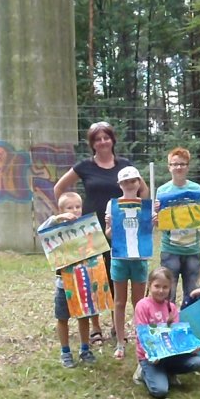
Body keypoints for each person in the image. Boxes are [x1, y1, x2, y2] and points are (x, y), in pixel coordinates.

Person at [54, 121, 149, 345]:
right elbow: (59, 188)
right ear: (92, 143)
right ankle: (95, 327)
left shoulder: (124, 165)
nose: (103, 142)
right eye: (97, 139)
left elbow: (143, 190)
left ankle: (118, 327)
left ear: (112, 140)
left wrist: (141, 214)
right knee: (94, 278)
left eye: (106, 137)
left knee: (118, 278)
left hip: (119, 231)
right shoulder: (85, 166)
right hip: (90, 231)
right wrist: (65, 214)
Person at [37, 191, 97, 368]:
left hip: (83, 281)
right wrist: (57, 218)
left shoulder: (86, 226)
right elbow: (41, 231)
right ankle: (65, 352)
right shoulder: (56, 228)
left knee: (83, 317)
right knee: (62, 318)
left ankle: (85, 349)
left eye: (78, 206)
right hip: (63, 284)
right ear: (61, 210)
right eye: (69, 207)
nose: (75, 210)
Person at [132, 267, 200, 399]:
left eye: (165, 287)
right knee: (160, 391)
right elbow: (142, 336)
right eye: (157, 286)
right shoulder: (142, 305)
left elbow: (176, 338)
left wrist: (190, 347)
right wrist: (152, 355)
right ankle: (143, 372)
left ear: (170, 287)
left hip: (168, 354)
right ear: (149, 285)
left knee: (198, 362)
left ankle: (168, 372)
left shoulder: (171, 307)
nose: (161, 290)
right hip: (151, 357)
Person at [104, 166, 150, 360]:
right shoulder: (112, 205)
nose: (129, 184)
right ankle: (120, 342)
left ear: (139, 182)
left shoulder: (145, 205)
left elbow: (147, 233)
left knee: (139, 303)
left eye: (133, 181)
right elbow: (109, 234)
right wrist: (110, 224)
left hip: (139, 260)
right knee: (119, 302)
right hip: (120, 259)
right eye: (125, 182)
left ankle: (141, 341)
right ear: (120, 184)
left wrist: (153, 222)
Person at [156, 147, 200, 305]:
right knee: (168, 293)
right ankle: (169, 321)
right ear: (169, 167)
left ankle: (190, 321)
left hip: (192, 249)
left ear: (188, 166)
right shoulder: (162, 191)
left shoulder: (197, 189)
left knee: (193, 294)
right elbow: (159, 223)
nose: (178, 167)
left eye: (182, 164)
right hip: (170, 249)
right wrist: (156, 212)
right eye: (175, 164)